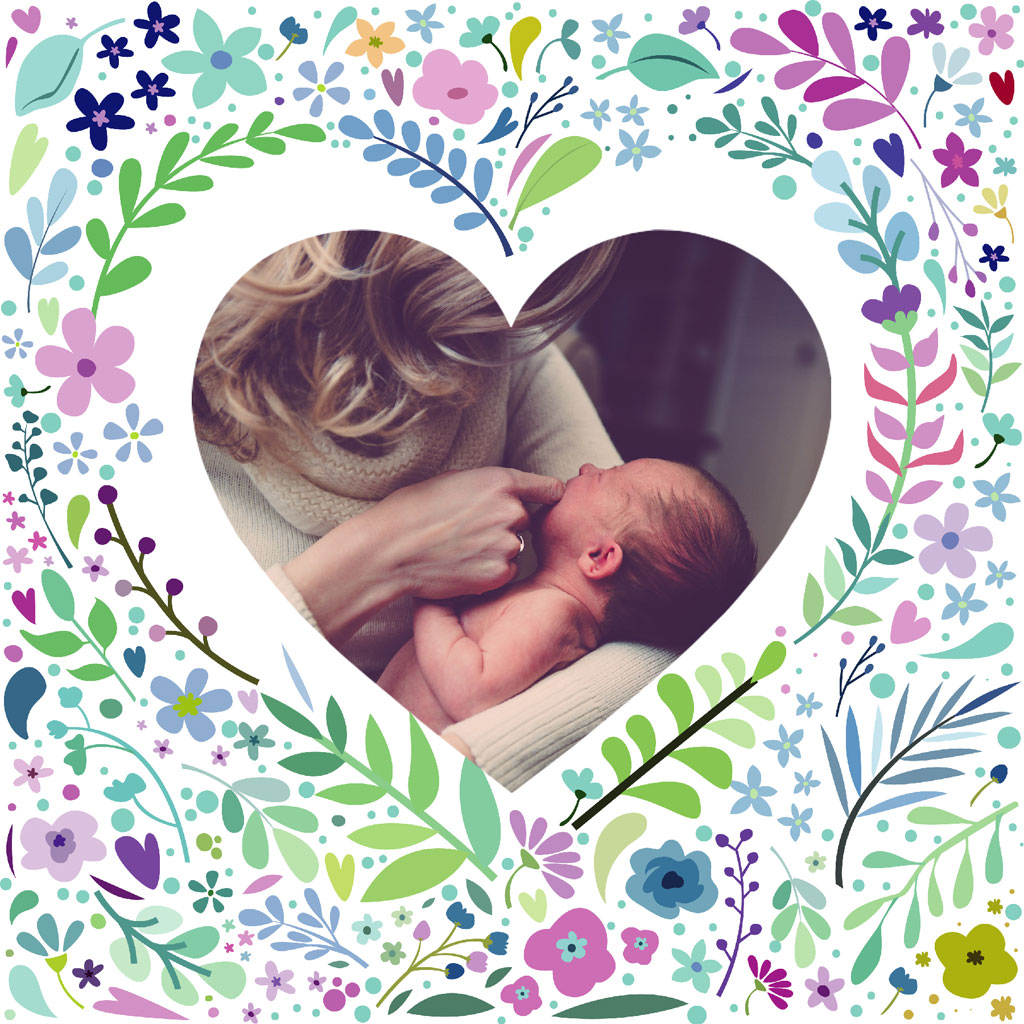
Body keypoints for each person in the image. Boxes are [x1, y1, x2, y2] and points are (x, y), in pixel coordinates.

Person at [195, 231, 672, 787]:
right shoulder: (114, 388)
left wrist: (451, 777)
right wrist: (394, 553)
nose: (587, 472)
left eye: (606, 478)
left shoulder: (510, 344)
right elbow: (164, 700)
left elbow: (672, 627)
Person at [377, 459, 758, 732]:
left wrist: (431, 594)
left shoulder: (552, 614)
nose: (587, 467)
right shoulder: (548, 602)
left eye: (603, 479)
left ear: (598, 556)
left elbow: (468, 691)